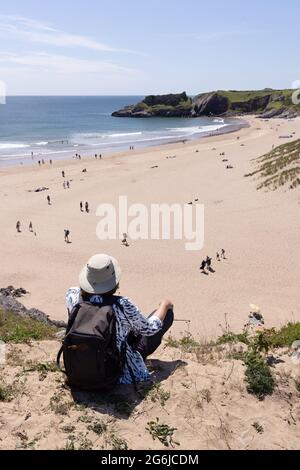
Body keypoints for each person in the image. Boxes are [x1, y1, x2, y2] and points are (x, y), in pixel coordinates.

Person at [65, 254, 174, 384]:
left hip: (78, 366)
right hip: (118, 372)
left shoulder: (72, 295)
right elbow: (149, 329)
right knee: (164, 315)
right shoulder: (122, 305)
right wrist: (165, 305)